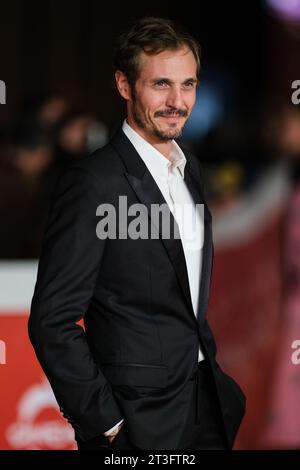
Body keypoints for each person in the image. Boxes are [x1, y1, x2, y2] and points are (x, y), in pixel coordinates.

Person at [28, 17, 246, 450]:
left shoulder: (191, 170)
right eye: (161, 84)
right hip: (136, 424)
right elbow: (51, 321)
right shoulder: (93, 183)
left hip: (206, 410)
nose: (177, 101)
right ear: (124, 86)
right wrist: (106, 424)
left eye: (188, 84)